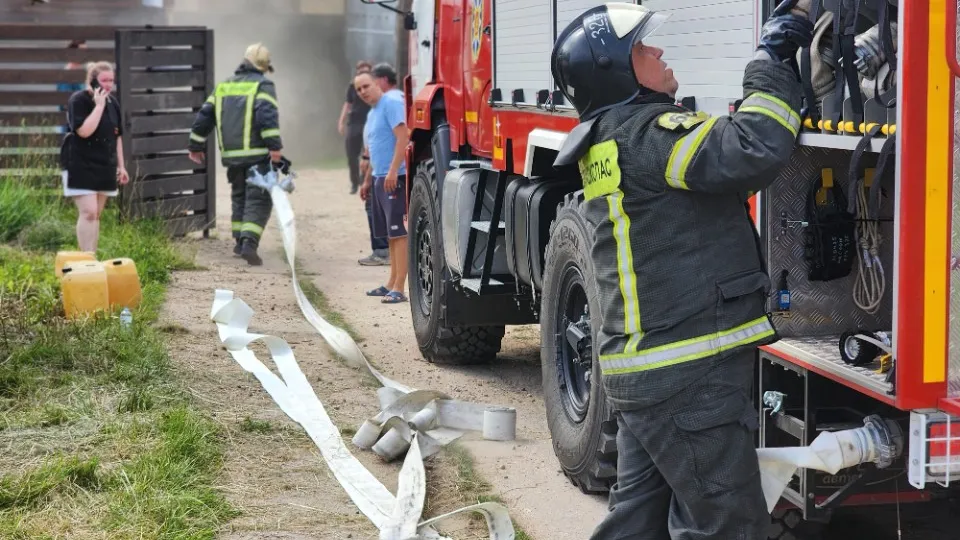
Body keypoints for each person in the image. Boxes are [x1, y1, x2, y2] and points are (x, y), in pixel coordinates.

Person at [549, 2, 812, 538]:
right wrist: (770, 59)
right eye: (642, 48)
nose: (659, 50)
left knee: (637, 523)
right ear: (618, 72)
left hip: (649, 373)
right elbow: (753, 147)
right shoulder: (649, 135)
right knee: (727, 527)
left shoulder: (610, 140)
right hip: (688, 377)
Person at [188, 43, 284, 266]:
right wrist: (275, 147)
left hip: (232, 156)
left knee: (239, 196)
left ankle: (239, 242)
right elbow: (266, 117)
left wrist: (195, 145)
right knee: (258, 199)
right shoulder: (263, 85)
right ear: (263, 67)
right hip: (258, 155)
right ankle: (250, 243)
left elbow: (205, 116)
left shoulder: (224, 86)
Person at [62, 61, 130, 253]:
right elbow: (84, 131)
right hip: (79, 163)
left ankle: (91, 256)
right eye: (104, 80)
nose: (108, 85)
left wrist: (121, 166)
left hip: (104, 164)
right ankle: (86, 256)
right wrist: (99, 107)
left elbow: (117, 136)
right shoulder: (79, 100)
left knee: (96, 214)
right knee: (89, 212)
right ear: (92, 81)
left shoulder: (113, 103)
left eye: (111, 80)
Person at [355, 69, 410, 304]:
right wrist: (368, 180)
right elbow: (375, 147)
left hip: (394, 177)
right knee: (390, 235)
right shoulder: (373, 112)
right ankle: (390, 283)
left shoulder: (391, 103)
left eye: (366, 86)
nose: (362, 92)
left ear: (378, 83)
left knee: (399, 233)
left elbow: (403, 137)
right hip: (379, 177)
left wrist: (393, 171)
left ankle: (399, 288)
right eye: (358, 89)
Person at [339, 61, 373, 195]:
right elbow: (347, 104)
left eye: (366, 71)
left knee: (368, 154)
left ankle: (365, 180)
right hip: (353, 123)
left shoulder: (373, 85)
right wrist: (341, 121)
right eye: (361, 71)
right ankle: (354, 182)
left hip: (368, 122)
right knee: (351, 154)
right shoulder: (352, 86)